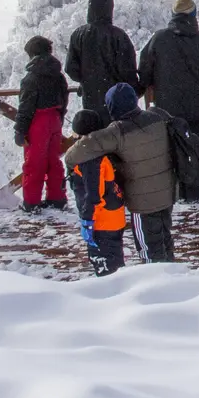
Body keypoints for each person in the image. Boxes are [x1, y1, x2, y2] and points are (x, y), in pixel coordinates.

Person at [66, 83, 179, 262]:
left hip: (143, 203)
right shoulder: (157, 117)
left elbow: (76, 153)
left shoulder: (116, 132)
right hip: (167, 194)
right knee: (165, 240)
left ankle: (159, 284)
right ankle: (174, 277)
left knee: (149, 250)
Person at [139, 0, 199, 202]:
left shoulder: (159, 39)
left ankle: (174, 193)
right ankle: (194, 192)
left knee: (170, 151)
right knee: (198, 149)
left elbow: (145, 72)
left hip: (168, 109)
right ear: (194, 16)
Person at [65, 109, 128, 275]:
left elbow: (94, 195)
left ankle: (112, 296)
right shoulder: (102, 150)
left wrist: (87, 220)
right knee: (114, 261)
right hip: (113, 215)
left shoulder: (89, 159)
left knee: (105, 266)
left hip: (102, 221)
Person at [13, 35, 70, 212]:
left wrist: (20, 131)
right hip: (55, 118)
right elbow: (64, 97)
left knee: (34, 164)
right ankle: (57, 198)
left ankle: (31, 202)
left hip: (38, 121)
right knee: (54, 161)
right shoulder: (58, 76)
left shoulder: (31, 79)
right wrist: (59, 116)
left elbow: (25, 107)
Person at [66, 0, 140, 114]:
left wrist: (86, 80)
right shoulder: (119, 36)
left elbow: (70, 68)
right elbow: (128, 70)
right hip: (117, 100)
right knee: (117, 130)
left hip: (90, 98)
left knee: (95, 130)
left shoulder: (78, 35)